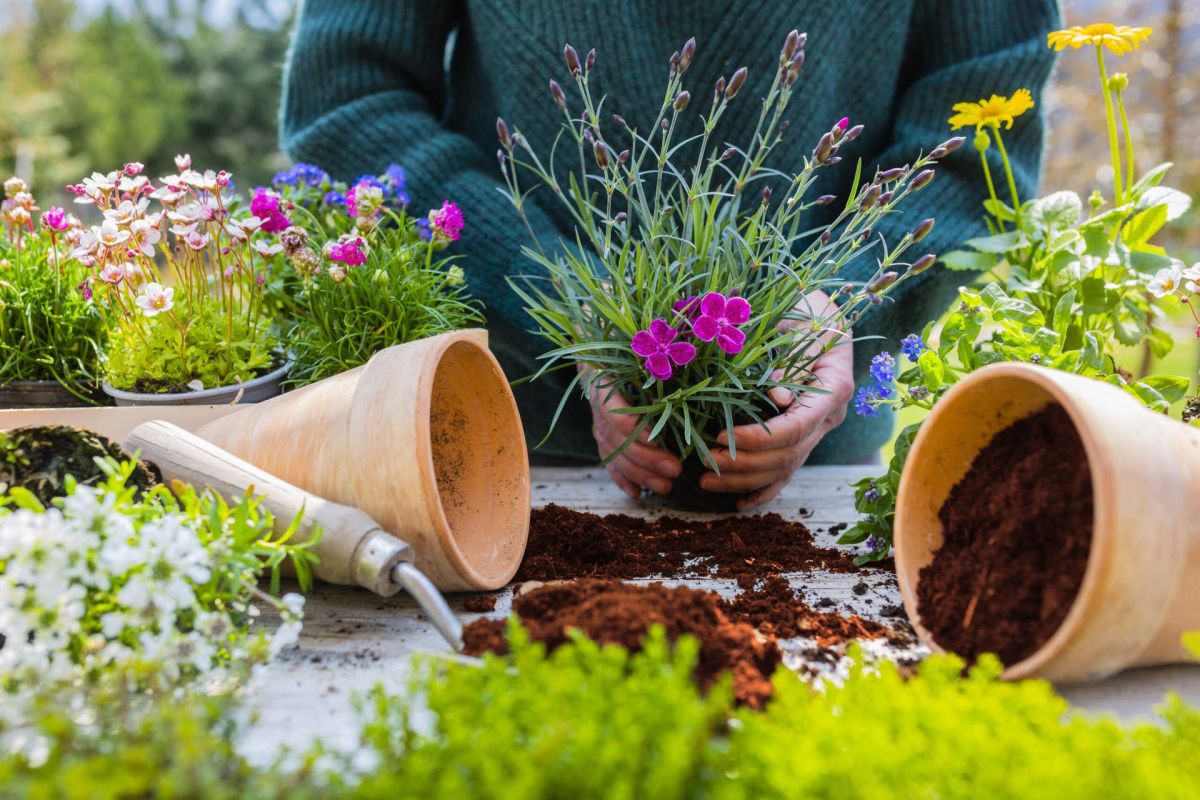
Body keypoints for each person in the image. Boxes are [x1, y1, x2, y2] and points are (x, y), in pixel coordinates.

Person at [280, 0, 1059, 505]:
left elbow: (977, 128)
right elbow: (349, 102)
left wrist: (837, 298)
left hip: (812, 467)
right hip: (504, 458)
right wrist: (565, 301)